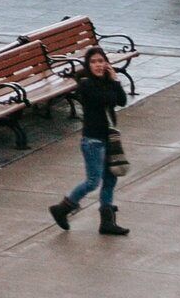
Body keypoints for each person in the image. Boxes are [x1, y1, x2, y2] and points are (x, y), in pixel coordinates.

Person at [46, 47, 131, 236]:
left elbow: (122, 101)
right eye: (94, 62)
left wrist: (115, 79)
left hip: (109, 138)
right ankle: (62, 208)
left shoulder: (108, 81)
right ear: (88, 65)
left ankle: (107, 222)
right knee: (93, 181)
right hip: (93, 141)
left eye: (101, 61)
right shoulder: (86, 84)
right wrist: (112, 85)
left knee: (110, 179)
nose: (98, 65)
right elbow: (106, 99)